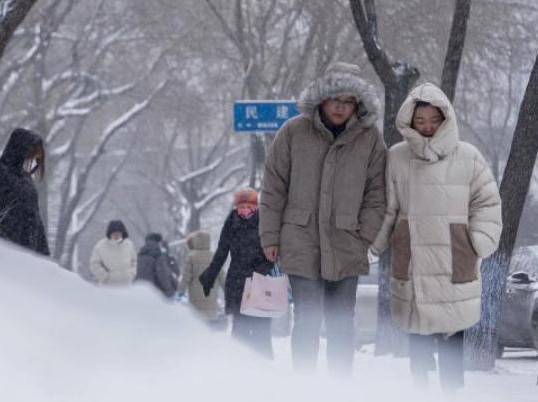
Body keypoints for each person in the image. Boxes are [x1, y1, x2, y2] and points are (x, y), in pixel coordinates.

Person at [371, 82, 502, 393]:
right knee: (416, 334)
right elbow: (388, 207)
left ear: (445, 118)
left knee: (453, 336)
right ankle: (420, 392)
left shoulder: (468, 156)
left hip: (454, 254)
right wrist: (374, 246)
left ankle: (452, 393)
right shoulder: (397, 157)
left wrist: (478, 239)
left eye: (433, 120)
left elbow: (487, 201)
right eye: (420, 121)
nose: (427, 127)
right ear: (409, 122)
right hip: (414, 254)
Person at [259, 62, 386, 375]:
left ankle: (340, 388)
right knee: (307, 318)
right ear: (322, 99)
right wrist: (270, 237)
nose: (341, 107)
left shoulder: (369, 139)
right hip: (301, 241)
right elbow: (273, 188)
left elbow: (377, 195)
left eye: (348, 100)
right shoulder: (293, 132)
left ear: (357, 103)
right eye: (335, 99)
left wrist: (365, 236)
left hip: (347, 244)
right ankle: (305, 389)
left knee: (343, 322)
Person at [199, 188, 274, 358]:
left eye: (249, 206)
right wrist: (210, 275)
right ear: (236, 207)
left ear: (256, 207)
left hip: (260, 283)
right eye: (241, 207)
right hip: (238, 282)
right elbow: (222, 251)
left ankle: (266, 371)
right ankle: (238, 369)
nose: (245, 211)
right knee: (240, 331)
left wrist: (261, 272)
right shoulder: (231, 222)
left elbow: (273, 254)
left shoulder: (265, 223)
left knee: (261, 331)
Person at [0, 128, 50, 256]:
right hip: (5, 253)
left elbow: (36, 221)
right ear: (21, 150)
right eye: (31, 154)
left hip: (29, 256)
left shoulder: (26, 179)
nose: (31, 160)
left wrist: (44, 256)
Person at [177, 230, 225, 321]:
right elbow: (222, 277)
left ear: (195, 242)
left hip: (195, 302)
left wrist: (179, 293)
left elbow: (185, 278)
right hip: (211, 300)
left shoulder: (191, 257)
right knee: (210, 327)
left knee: (198, 325)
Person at [89, 220, 137, 286]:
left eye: (119, 232)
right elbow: (95, 264)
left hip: (126, 285)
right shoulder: (100, 245)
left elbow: (134, 261)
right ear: (110, 233)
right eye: (114, 233)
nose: (117, 235)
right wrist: (105, 277)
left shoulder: (129, 244)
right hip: (108, 286)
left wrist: (131, 274)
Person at [136, 233, 178, 298]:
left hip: (140, 291)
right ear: (159, 242)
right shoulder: (158, 255)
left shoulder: (140, 255)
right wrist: (170, 289)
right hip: (155, 292)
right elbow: (163, 275)